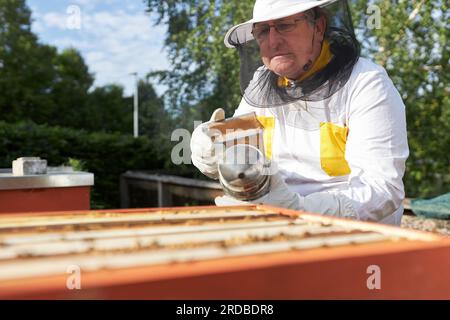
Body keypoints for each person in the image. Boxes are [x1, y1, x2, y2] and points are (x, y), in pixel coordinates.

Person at [190, 0, 409, 226]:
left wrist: (300, 210)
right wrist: (212, 147)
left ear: (319, 26)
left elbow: (382, 190)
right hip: (274, 225)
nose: (273, 41)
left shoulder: (366, 83)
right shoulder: (261, 82)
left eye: (284, 25)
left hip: (354, 238)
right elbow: (241, 152)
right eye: (263, 30)